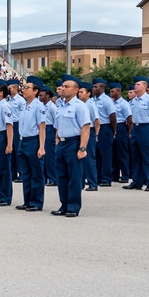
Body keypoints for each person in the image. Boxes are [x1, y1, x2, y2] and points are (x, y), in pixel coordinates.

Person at [52, 75, 91, 218]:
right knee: (61, 176)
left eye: (66, 86)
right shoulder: (60, 105)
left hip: (74, 143)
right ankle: (64, 204)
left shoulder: (80, 106)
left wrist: (82, 148)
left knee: (74, 177)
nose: (63, 88)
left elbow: (85, 128)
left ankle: (73, 207)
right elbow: (57, 127)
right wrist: (57, 142)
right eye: (62, 86)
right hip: (61, 143)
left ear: (75, 90)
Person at [16, 76, 47, 211]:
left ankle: (36, 202)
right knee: (26, 173)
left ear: (35, 91)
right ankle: (27, 200)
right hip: (23, 141)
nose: (24, 90)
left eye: (27, 88)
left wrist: (41, 146)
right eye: (24, 87)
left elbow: (42, 127)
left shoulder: (38, 106)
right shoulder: (24, 105)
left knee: (36, 173)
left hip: (34, 141)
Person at [125, 77, 149, 191]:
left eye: (138, 84)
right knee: (135, 157)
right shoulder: (133, 101)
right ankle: (137, 181)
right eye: (135, 84)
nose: (136, 86)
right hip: (136, 128)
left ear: (145, 86)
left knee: (148, 157)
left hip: (146, 128)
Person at [91, 78, 116, 186]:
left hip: (105, 127)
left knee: (105, 154)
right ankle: (97, 177)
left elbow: (112, 116)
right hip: (94, 128)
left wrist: (113, 130)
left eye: (95, 87)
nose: (93, 89)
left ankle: (106, 178)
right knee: (96, 154)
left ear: (102, 88)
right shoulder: (93, 100)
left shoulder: (106, 100)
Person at [110, 83, 131, 184]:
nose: (111, 93)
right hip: (112, 127)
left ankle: (125, 175)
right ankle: (114, 175)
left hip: (121, 126)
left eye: (113, 91)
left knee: (122, 152)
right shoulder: (111, 103)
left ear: (119, 91)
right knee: (114, 152)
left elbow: (129, 119)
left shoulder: (124, 104)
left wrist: (128, 131)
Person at [39, 86, 58, 187]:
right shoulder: (41, 106)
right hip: (43, 129)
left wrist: (56, 136)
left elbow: (57, 122)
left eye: (42, 95)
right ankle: (45, 177)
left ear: (47, 95)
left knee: (50, 156)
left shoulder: (52, 107)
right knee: (43, 155)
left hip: (50, 129)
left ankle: (53, 178)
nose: (40, 97)